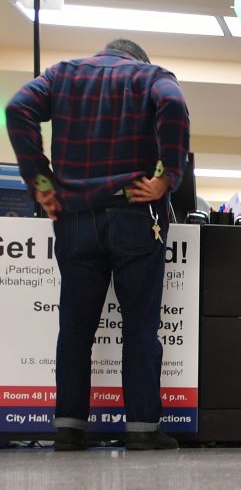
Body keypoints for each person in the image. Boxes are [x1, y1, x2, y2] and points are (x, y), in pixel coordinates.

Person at [5, 39, 190, 451]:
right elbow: (174, 106)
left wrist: (40, 181)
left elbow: (17, 108)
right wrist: (167, 174)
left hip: (75, 218)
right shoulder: (151, 77)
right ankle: (142, 430)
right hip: (134, 216)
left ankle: (68, 429)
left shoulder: (61, 74)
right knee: (140, 327)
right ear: (138, 59)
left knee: (74, 327)